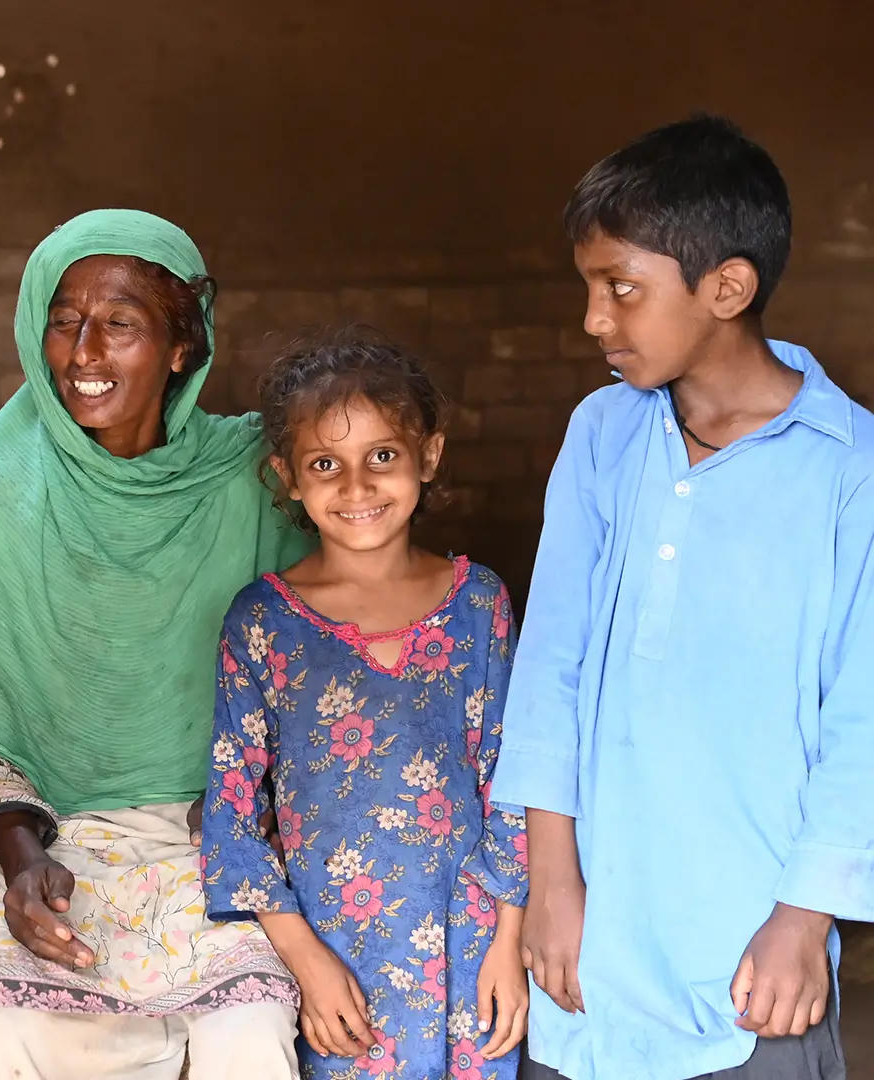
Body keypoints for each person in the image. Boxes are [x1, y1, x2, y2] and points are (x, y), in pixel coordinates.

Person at [493, 115, 871, 1080]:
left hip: (749, 951)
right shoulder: (602, 434)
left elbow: (863, 718)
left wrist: (804, 916)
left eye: (620, 288)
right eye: (590, 287)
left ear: (727, 288)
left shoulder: (851, 469)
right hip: (592, 942)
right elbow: (551, 663)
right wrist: (551, 882)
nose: (594, 319)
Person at [0, 209, 313, 1080]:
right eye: (63, 321)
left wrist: (249, 810)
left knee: (249, 1034)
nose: (84, 353)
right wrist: (21, 866)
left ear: (181, 348)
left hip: (216, 831)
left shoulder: (253, 480)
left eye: (120, 324)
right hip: (34, 836)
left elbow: (312, 666)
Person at [203, 331, 530, 1079]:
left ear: (430, 455)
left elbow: (511, 779)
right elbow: (231, 817)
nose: (357, 487)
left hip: (470, 945)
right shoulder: (262, 623)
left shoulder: (478, 603)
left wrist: (509, 942)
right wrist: (305, 961)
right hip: (336, 950)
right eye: (326, 464)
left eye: (382, 455)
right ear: (287, 476)